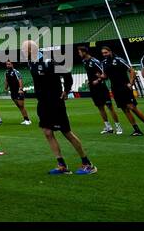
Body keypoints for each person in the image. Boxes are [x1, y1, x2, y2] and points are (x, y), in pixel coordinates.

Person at [23, 41, 96, 175]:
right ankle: (61, 165)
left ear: (31, 49)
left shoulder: (49, 61)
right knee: (47, 132)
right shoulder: (31, 63)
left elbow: (67, 74)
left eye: (24, 49)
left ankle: (87, 163)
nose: (22, 51)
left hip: (55, 102)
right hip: (43, 103)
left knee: (66, 133)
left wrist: (66, 90)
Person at [100, 46, 144, 136]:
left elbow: (131, 71)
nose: (104, 54)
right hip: (115, 88)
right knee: (124, 109)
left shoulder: (119, 60)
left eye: (106, 52)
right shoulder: (104, 63)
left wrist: (131, 83)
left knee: (133, 107)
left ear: (110, 52)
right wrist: (100, 77)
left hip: (124, 87)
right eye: (103, 53)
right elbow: (105, 76)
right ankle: (137, 130)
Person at [77, 46, 123, 135]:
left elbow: (104, 74)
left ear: (84, 52)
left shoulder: (94, 61)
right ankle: (108, 127)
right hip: (93, 88)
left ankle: (118, 126)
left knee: (110, 107)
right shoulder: (84, 61)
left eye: (79, 52)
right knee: (100, 107)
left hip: (101, 88)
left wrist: (97, 80)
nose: (79, 54)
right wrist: (89, 81)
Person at [4, 60, 32, 125]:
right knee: (19, 106)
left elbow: (20, 80)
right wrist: (5, 88)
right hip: (12, 91)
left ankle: (27, 120)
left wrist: (20, 89)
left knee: (21, 105)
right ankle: (25, 119)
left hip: (18, 90)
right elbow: (6, 80)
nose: (8, 65)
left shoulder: (16, 72)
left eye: (9, 64)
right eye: (7, 64)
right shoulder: (6, 72)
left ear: (12, 64)